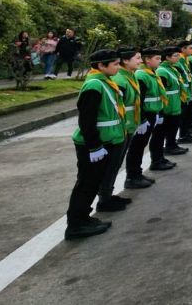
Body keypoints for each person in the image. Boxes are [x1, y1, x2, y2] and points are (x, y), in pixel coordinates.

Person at [64, 49, 122, 240]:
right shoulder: (94, 86)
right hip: (92, 144)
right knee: (86, 184)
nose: (118, 67)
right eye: (114, 64)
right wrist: (94, 146)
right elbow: (86, 120)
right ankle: (75, 224)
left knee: (93, 182)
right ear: (101, 66)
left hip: (103, 141)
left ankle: (83, 218)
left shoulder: (104, 82)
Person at [99, 47, 143, 211]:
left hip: (128, 126)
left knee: (116, 163)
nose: (140, 61)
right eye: (137, 58)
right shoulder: (120, 80)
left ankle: (107, 196)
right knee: (110, 165)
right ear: (126, 61)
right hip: (120, 129)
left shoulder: (129, 76)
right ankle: (104, 199)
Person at [128, 47, 167, 184]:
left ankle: (136, 174)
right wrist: (142, 119)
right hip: (145, 115)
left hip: (153, 113)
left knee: (141, 144)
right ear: (147, 60)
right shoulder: (142, 75)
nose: (160, 61)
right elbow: (140, 100)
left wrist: (159, 112)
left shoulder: (152, 73)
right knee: (137, 146)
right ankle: (132, 176)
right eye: (157, 58)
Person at [157, 47, 188, 158]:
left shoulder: (172, 69)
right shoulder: (162, 71)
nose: (178, 57)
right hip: (168, 106)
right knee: (165, 130)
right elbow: (162, 91)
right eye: (175, 55)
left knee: (174, 127)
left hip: (175, 104)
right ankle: (167, 148)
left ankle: (172, 145)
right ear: (167, 57)